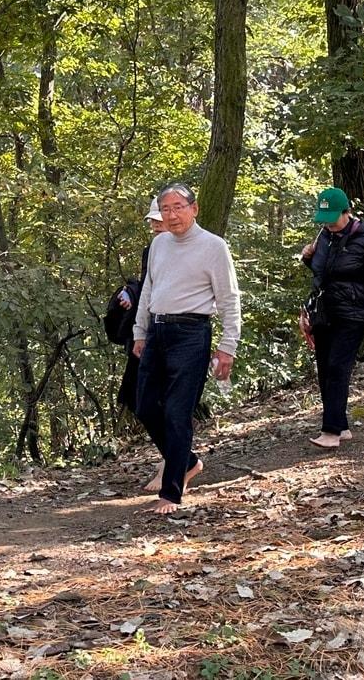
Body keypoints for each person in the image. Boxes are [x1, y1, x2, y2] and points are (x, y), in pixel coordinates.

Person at [132, 183, 241, 514]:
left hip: (192, 333)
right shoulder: (159, 244)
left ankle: (172, 492)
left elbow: (228, 297)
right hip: (158, 330)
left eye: (178, 207)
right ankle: (189, 461)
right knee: (145, 406)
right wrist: (140, 331)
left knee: (177, 412)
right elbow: (149, 289)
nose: (172, 214)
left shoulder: (213, 246)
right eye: (165, 209)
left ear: (194, 209)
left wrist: (227, 346)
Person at [297, 187, 364, 449]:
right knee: (325, 370)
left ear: (347, 213)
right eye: (324, 218)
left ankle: (330, 431)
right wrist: (307, 259)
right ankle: (340, 426)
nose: (328, 223)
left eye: (333, 217)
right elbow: (323, 273)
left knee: (337, 368)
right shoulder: (322, 236)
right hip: (324, 312)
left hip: (352, 315)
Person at [102, 198, 169, 491]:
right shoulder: (151, 250)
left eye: (159, 219)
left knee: (165, 402)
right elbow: (149, 285)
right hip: (147, 334)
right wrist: (129, 293)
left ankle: (176, 462)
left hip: (176, 336)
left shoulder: (197, 249)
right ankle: (175, 457)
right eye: (153, 219)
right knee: (137, 398)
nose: (154, 225)